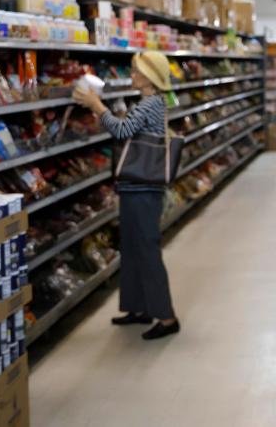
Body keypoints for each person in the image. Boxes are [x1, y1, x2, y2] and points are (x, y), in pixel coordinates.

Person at [72, 50, 179, 340]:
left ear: (149, 76)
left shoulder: (151, 103)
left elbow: (122, 131)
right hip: (135, 188)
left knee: (146, 250)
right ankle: (139, 307)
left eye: (135, 70)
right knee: (131, 248)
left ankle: (167, 318)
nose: (131, 75)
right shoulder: (148, 102)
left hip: (144, 190)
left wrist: (97, 106)